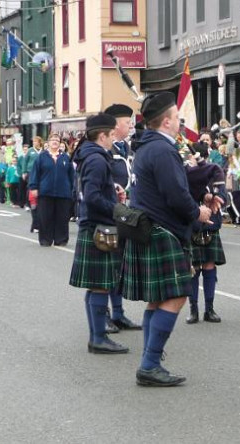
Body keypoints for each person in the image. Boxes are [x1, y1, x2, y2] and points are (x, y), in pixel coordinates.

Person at [118, 92, 214, 387]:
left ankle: (151, 359)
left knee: (157, 299)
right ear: (167, 121)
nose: (180, 122)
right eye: (177, 117)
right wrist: (198, 212)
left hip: (152, 228)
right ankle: (149, 363)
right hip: (164, 230)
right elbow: (175, 194)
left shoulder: (149, 147)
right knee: (177, 294)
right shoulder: (161, 150)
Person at [69, 113, 129, 354]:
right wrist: (116, 208)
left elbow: (93, 191)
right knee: (100, 286)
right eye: (112, 134)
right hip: (98, 226)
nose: (114, 139)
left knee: (96, 285)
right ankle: (98, 338)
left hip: (94, 225)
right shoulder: (96, 159)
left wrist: (112, 191)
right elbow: (92, 197)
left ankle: (98, 335)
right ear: (102, 135)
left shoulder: (91, 156)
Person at [102, 103, 141, 333]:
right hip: (109, 213)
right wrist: (114, 188)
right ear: (116, 125)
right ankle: (104, 315)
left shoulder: (126, 148)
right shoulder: (104, 150)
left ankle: (118, 313)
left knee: (120, 267)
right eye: (127, 122)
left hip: (125, 213)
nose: (131, 126)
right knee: (107, 268)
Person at [185, 153, 227, 324]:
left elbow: (223, 193)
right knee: (194, 268)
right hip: (193, 223)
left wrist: (219, 198)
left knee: (209, 265)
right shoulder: (185, 174)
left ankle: (209, 309)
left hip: (211, 224)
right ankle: (193, 309)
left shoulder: (214, 173)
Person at [29, 132, 75, 246]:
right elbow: (35, 173)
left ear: (60, 143)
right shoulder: (42, 157)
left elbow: (72, 175)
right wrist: (34, 187)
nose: (55, 142)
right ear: (48, 143)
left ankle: (61, 239)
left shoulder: (65, 157)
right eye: (52, 140)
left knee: (62, 217)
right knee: (45, 217)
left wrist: (73, 189)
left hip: (63, 192)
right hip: (45, 192)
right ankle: (45, 239)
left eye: (57, 140)